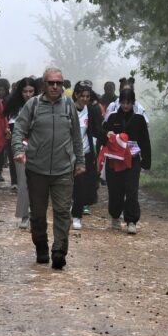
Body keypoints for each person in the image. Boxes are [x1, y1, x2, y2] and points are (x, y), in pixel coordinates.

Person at [11, 67, 85, 269]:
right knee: (37, 213)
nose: (55, 86)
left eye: (58, 83)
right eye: (51, 83)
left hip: (63, 169)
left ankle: (59, 250)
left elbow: (77, 137)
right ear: (44, 84)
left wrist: (80, 161)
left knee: (62, 211)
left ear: (62, 85)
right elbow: (18, 129)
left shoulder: (69, 105)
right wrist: (18, 150)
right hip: (36, 169)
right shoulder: (33, 105)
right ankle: (41, 246)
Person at [102, 89, 151, 234]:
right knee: (115, 190)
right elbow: (104, 136)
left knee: (131, 189)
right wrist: (107, 134)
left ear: (133, 103)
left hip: (133, 160)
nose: (125, 106)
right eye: (123, 103)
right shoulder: (112, 118)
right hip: (115, 161)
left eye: (128, 103)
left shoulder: (139, 119)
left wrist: (146, 161)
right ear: (119, 103)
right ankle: (115, 216)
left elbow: (145, 141)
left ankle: (131, 220)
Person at [4, 78, 38, 228]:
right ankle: (24, 215)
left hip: (41, 148)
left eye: (31, 91)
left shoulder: (43, 106)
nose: (28, 94)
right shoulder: (16, 108)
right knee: (23, 183)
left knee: (39, 184)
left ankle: (35, 214)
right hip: (22, 148)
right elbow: (14, 131)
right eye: (25, 91)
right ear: (20, 92)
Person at [71, 81, 102, 230]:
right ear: (76, 95)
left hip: (85, 154)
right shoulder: (67, 109)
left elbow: (97, 129)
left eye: (87, 96)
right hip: (66, 154)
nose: (84, 99)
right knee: (66, 186)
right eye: (82, 95)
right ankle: (66, 211)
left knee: (81, 186)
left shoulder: (91, 110)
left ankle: (77, 216)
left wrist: (108, 136)